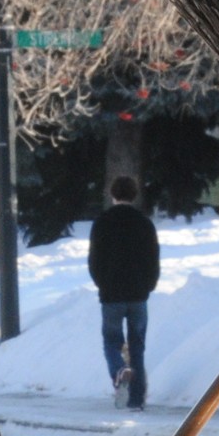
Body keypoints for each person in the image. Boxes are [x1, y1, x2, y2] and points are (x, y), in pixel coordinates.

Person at [87, 175, 159, 409]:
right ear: (135, 194)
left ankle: (120, 370)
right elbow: (153, 259)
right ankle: (136, 399)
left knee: (112, 342)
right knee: (137, 346)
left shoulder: (102, 223)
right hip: (138, 295)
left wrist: (102, 283)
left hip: (111, 295)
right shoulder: (144, 223)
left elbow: (94, 260)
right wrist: (148, 285)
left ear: (112, 194)